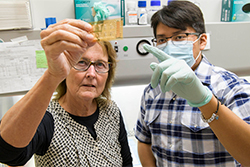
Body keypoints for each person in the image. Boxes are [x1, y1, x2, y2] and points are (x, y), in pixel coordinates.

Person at [0, 19, 132, 166]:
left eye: (100, 64)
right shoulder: (47, 118)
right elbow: (6, 153)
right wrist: (53, 75)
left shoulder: (111, 111)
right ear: (67, 69)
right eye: (82, 62)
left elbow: (126, 163)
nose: (91, 73)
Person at [135, 1, 250, 166]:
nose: (169, 45)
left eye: (179, 37)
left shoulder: (230, 88)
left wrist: (205, 101)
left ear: (202, 41)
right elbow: (144, 141)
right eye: (161, 40)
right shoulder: (152, 91)